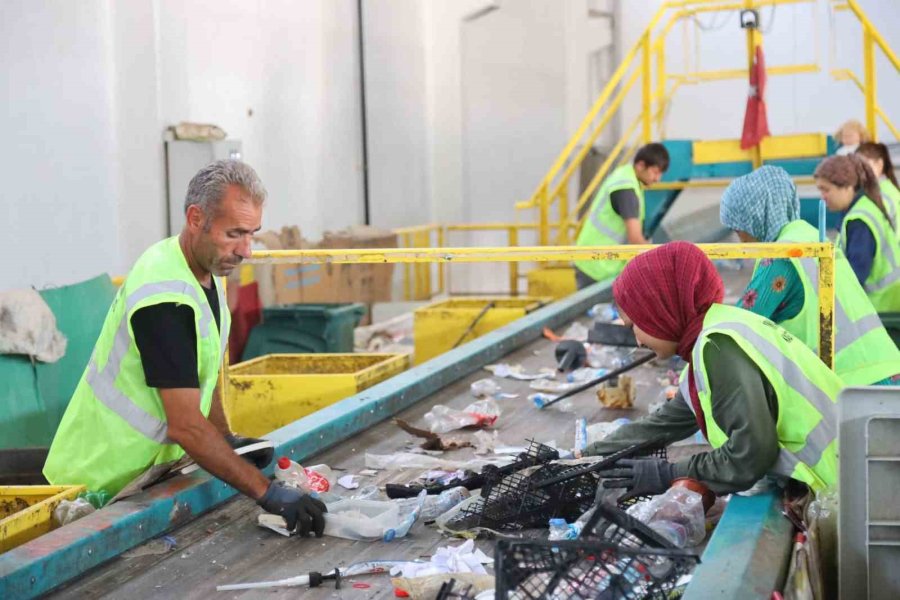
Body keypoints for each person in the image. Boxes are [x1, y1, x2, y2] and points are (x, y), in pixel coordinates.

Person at [44, 160, 327, 537]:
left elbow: (202, 377)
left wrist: (227, 439)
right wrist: (267, 493)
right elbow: (185, 426)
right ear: (196, 218)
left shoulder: (202, 269)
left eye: (252, 234)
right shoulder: (165, 297)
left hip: (144, 477)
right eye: (235, 234)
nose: (247, 251)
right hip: (97, 488)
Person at [587, 242, 844, 496]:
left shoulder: (718, 348)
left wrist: (669, 473)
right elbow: (661, 425)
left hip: (837, 485)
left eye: (635, 325)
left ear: (660, 310)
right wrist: (583, 457)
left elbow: (750, 456)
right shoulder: (719, 331)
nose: (638, 341)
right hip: (838, 472)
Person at [720, 165, 900, 386]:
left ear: (756, 218)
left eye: (739, 229)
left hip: (858, 385)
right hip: (884, 370)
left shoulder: (783, 256)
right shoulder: (811, 237)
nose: (741, 241)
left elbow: (737, 327)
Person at [574, 143, 670, 289]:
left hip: (597, 261)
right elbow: (635, 239)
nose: (658, 179)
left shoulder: (627, 177)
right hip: (597, 265)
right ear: (640, 165)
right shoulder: (626, 189)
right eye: (655, 172)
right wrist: (662, 261)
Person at [814, 155, 900, 312]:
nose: (823, 197)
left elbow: (854, 278)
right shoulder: (866, 205)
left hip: (880, 308)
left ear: (848, 187)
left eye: (826, 190)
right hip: (891, 300)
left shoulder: (859, 221)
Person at [856, 142, 900, 235]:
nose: (860, 172)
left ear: (880, 164)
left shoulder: (883, 195)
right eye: (857, 167)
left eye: (864, 166)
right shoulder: (888, 189)